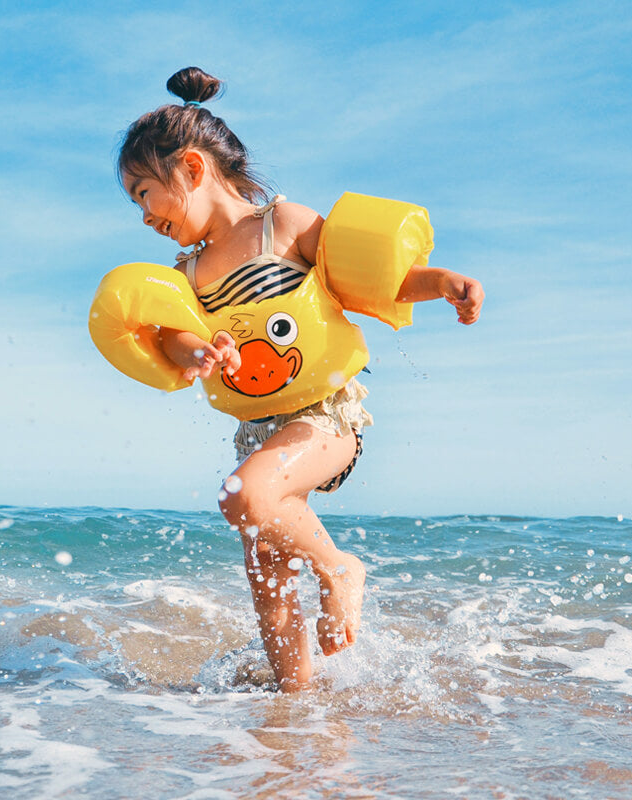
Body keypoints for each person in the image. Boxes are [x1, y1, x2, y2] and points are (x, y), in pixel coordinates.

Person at [115, 67, 483, 692]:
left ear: (193, 169)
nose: (143, 215)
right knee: (268, 583)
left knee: (241, 497)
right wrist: (199, 350)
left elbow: (369, 279)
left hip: (326, 416)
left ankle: (340, 571)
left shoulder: (281, 226)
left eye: (144, 192)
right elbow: (174, 336)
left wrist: (441, 281)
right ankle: (293, 714)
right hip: (256, 431)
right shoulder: (188, 270)